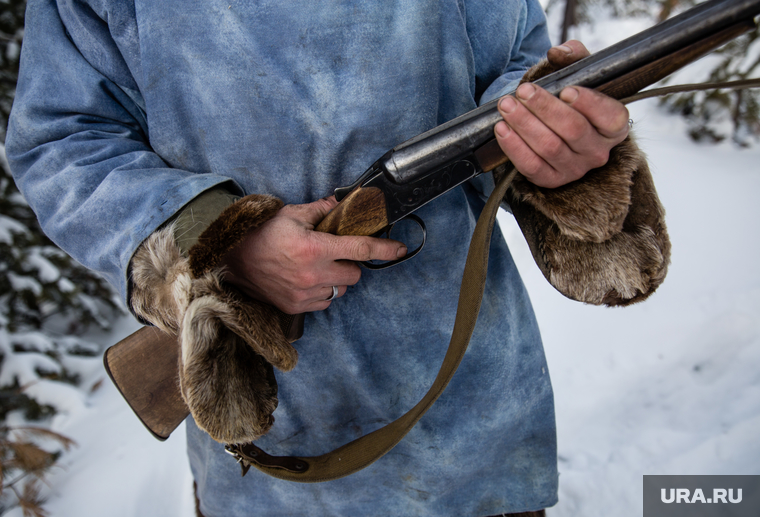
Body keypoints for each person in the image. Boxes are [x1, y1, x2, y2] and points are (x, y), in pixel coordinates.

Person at [7, 0, 667, 515]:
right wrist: (223, 239)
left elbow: (511, 73)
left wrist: (562, 150)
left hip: (472, 442)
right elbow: (63, 141)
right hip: (273, 456)